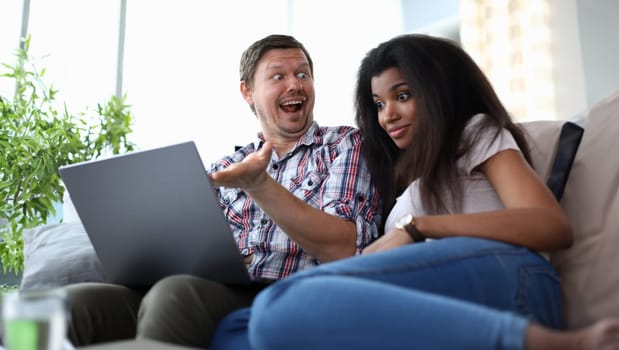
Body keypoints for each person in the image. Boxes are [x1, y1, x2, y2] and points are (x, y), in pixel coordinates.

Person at [209, 34, 619, 349]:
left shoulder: (473, 132)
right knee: (235, 329)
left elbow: (550, 225)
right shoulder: (408, 180)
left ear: (437, 90)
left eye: (402, 95)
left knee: (280, 306)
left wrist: (418, 229)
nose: (388, 115)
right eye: (378, 104)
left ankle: (545, 342)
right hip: (441, 293)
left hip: (510, 279)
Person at [64, 34, 381, 348]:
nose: (295, 85)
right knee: (72, 305)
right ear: (248, 92)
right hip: (214, 287)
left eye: (303, 74)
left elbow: (344, 248)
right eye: (278, 76)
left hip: (282, 293)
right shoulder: (225, 167)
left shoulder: (343, 145)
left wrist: (259, 186)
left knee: (175, 295)